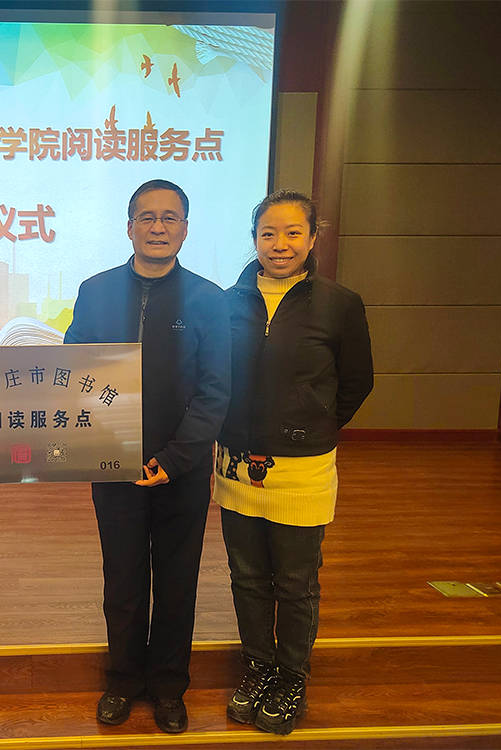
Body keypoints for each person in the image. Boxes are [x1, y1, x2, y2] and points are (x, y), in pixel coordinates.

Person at [64, 179, 231, 734]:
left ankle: (168, 686)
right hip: (112, 464)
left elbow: (215, 390)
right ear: (129, 226)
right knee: (124, 580)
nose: (158, 227)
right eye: (147, 217)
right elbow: (72, 370)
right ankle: (122, 680)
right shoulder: (95, 291)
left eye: (169, 218)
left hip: (182, 468)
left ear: (185, 228)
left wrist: (175, 459)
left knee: (178, 581)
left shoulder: (209, 299)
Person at [215, 189, 374, 736]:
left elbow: (356, 382)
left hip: (304, 467)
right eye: (268, 233)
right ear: (254, 238)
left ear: (312, 238)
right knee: (247, 576)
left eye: (292, 233)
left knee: (296, 580)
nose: (279, 244)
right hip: (236, 462)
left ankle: (291, 676)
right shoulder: (227, 301)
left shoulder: (339, 303)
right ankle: (258, 667)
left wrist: (311, 424)